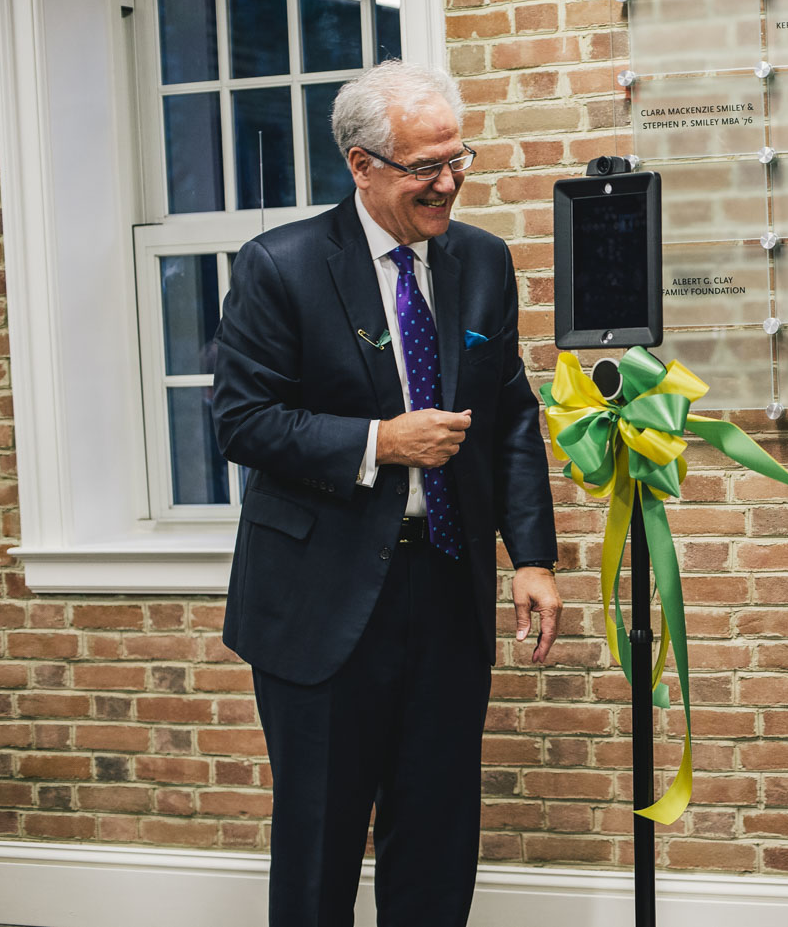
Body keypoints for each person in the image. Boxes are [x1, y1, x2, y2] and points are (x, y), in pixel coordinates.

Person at [212, 61, 561, 927]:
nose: (448, 182)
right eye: (424, 166)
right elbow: (242, 422)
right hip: (319, 604)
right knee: (319, 848)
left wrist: (535, 559)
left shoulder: (482, 260)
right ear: (362, 165)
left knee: (440, 843)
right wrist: (380, 441)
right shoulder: (278, 267)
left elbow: (511, 416)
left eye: (459, 159)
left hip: (445, 591)